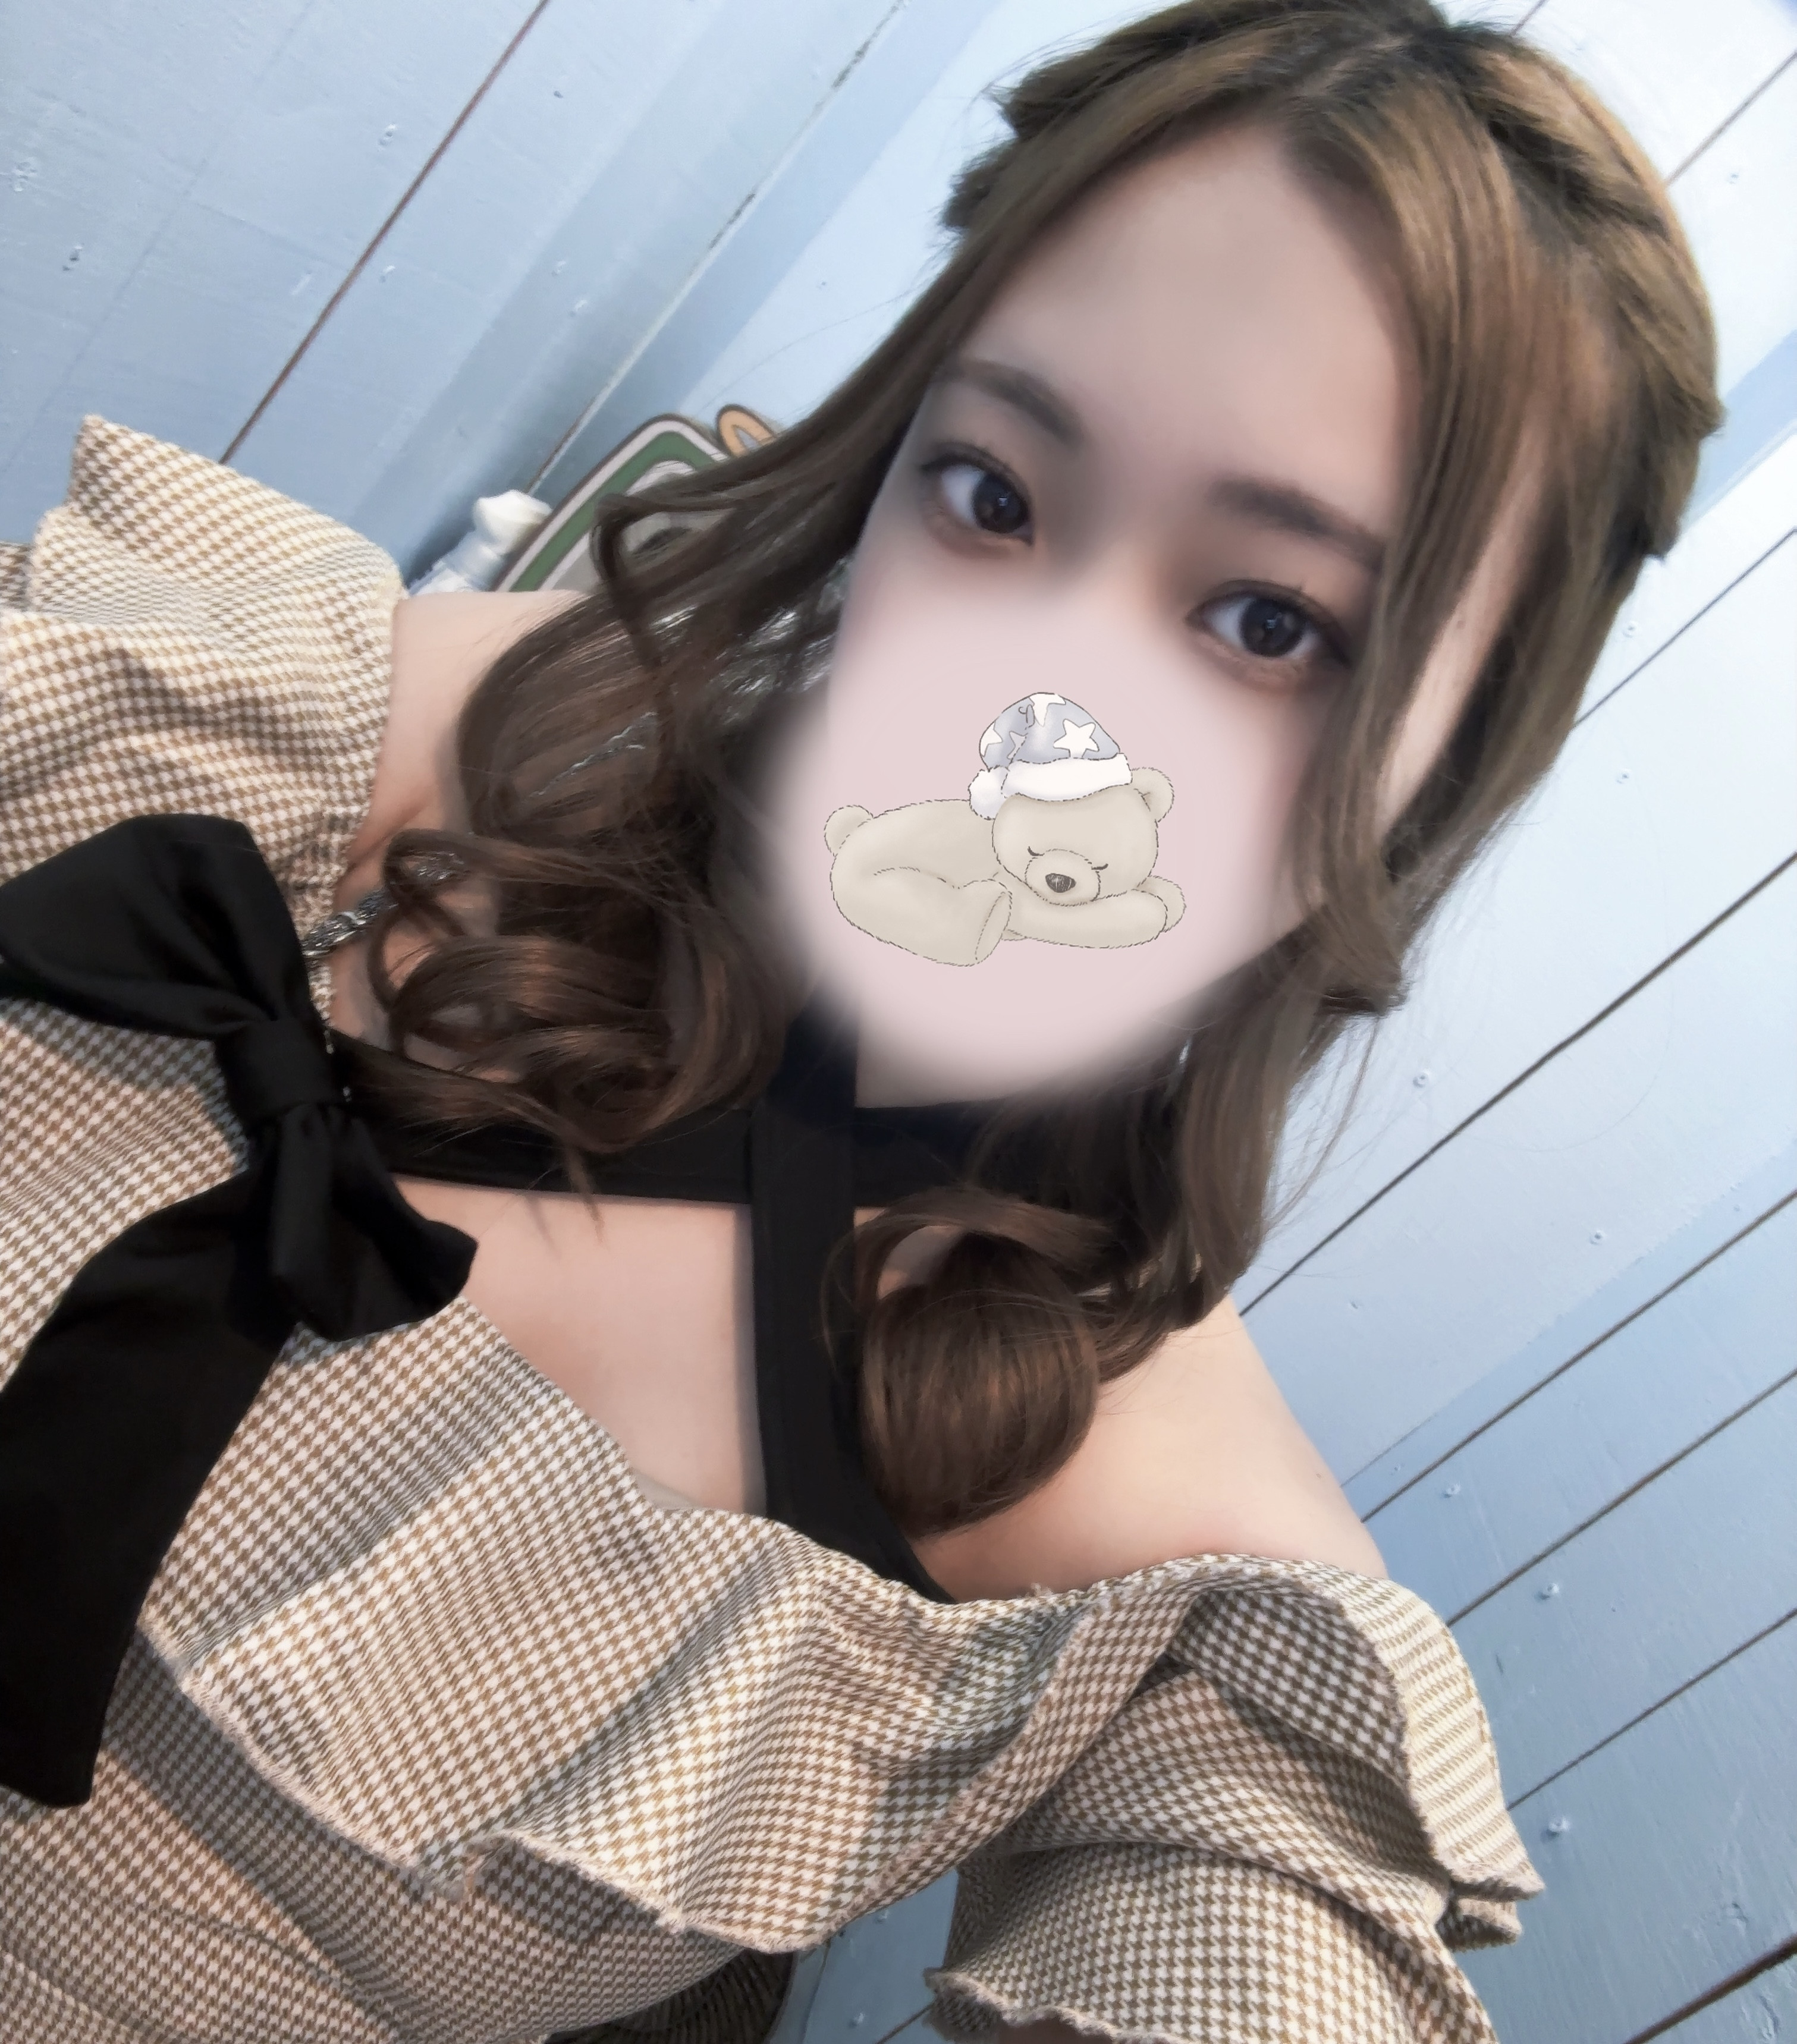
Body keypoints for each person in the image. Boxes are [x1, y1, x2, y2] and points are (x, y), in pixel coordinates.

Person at [0, 1, 1717, 2039]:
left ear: (1451, 759)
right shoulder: (412, 735)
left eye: (1270, 622)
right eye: (991, 494)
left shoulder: (1168, 1563)